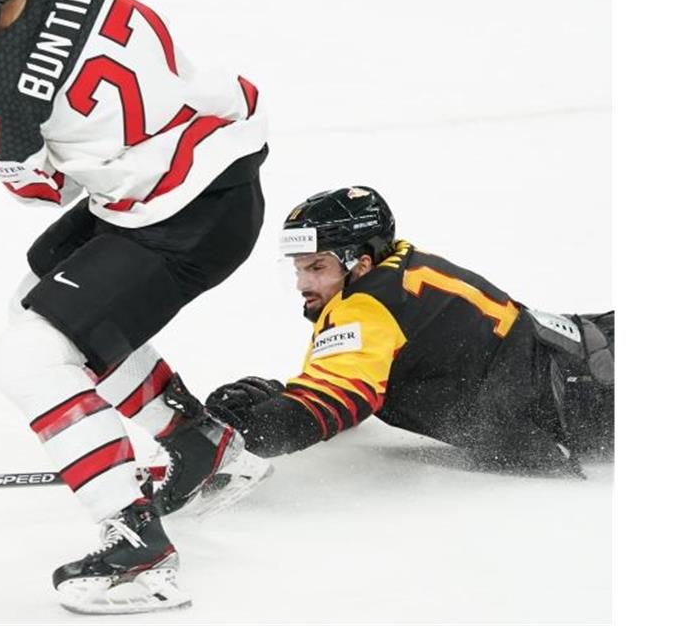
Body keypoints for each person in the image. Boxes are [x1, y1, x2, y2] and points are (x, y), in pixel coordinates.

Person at [0, 0, 271, 614]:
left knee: (32, 356)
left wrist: (11, 131)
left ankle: (138, 550)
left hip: (178, 219)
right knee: (39, 289)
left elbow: (43, 191)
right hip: (222, 173)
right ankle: (199, 445)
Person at [207, 186, 614, 476]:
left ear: (360, 264)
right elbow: (363, 378)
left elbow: (332, 403)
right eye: (297, 268)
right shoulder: (399, 267)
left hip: (594, 395)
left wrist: (225, 441)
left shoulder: (365, 307)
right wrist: (281, 399)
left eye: (316, 267)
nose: (302, 284)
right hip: (589, 352)